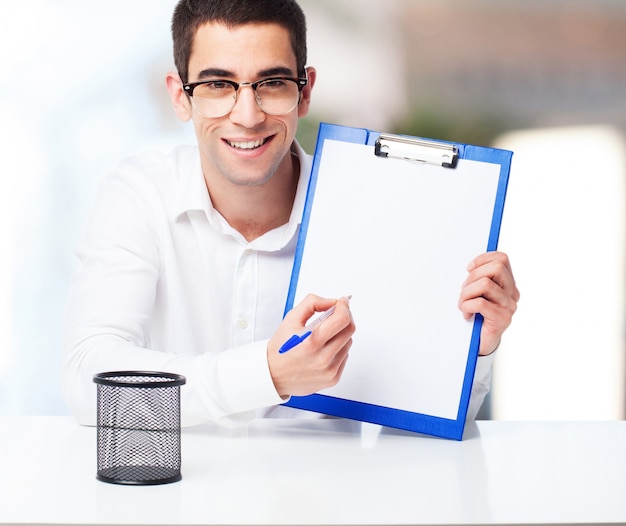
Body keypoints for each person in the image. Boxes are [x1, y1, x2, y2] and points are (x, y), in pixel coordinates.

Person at [61, 0, 519, 427]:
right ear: (181, 97)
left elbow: (413, 424)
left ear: (305, 92)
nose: (247, 115)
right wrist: (267, 374)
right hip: (180, 504)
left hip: (327, 507)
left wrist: (471, 350)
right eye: (218, 84)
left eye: (272, 84)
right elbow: (88, 381)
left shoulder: (378, 211)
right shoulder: (140, 195)